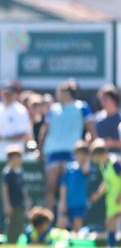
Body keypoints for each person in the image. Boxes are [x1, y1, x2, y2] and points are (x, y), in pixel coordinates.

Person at [38, 80, 94, 209]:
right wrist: (40, 150)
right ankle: (48, 219)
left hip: (71, 152)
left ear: (68, 92)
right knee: (50, 187)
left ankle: (66, 219)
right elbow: (44, 131)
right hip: (53, 152)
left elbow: (92, 130)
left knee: (68, 187)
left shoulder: (82, 107)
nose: (58, 94)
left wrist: (89, 151)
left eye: (61, 91)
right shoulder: (53, 109)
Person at [0, 81, 31, 158]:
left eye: (10, 93)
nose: (7, 96)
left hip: (15, 157)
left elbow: (23, 134)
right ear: (0, 93)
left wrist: (2, 137)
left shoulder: (21, 110)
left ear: (15, 94)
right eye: (5, 93)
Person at [90, 139, 121, 248]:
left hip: (119, 198)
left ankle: (111, 245)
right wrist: (98, 194)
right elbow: (106, 182)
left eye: (98, 157)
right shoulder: (103, 166)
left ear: (104, 153)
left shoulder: (115, 163)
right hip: (112, 199)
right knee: (110, 224)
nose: (97, 160)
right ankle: (111, 246)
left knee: (111, 222)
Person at [58, 141, 91, 232]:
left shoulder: (86, 168)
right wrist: (62, 202)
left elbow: (86, 171)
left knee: (77, 228)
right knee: (61, 225)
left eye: (85, 154)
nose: (82, 156)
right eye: (80, 153)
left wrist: (88, 158)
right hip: (68, 202)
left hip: (79, 203)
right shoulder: (69, 168)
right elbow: (64, 186)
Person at [1, 145, 30, 244]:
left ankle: (15, 243)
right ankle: (9, 243)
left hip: (20, 203)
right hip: (12, 204)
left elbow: (23, 189)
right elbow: (4, 189)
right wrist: (6, 204)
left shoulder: (19, 172)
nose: (20, 159)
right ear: (11, 158)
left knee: (19, 224)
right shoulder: (7, 172)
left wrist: (26, 202)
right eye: (18, 157)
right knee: (11, 225)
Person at [94, 84, 121, 153]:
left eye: (105, 100)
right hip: (99, 158)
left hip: (117, 158)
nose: (103, 102)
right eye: (101, 100)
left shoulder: (119, 118)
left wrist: (113, 143)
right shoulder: (96, 118)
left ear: (114, 100)